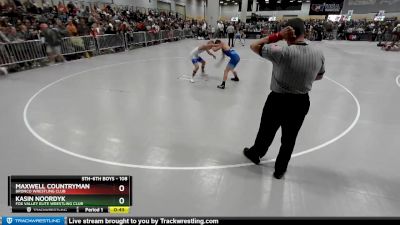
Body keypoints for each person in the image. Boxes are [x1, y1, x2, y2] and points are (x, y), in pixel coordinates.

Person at [244, 18, 325, 179]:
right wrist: (302, 79)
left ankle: (256, 153)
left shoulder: (282, 52)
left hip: (277, 100)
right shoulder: (318, 53)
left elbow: (254, 46)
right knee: (289, 138)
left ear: (289, 32)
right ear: (304, 32)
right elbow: (320, 76)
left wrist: (277, 36)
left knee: (266, 130)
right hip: (301, 101)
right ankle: (280, 168)